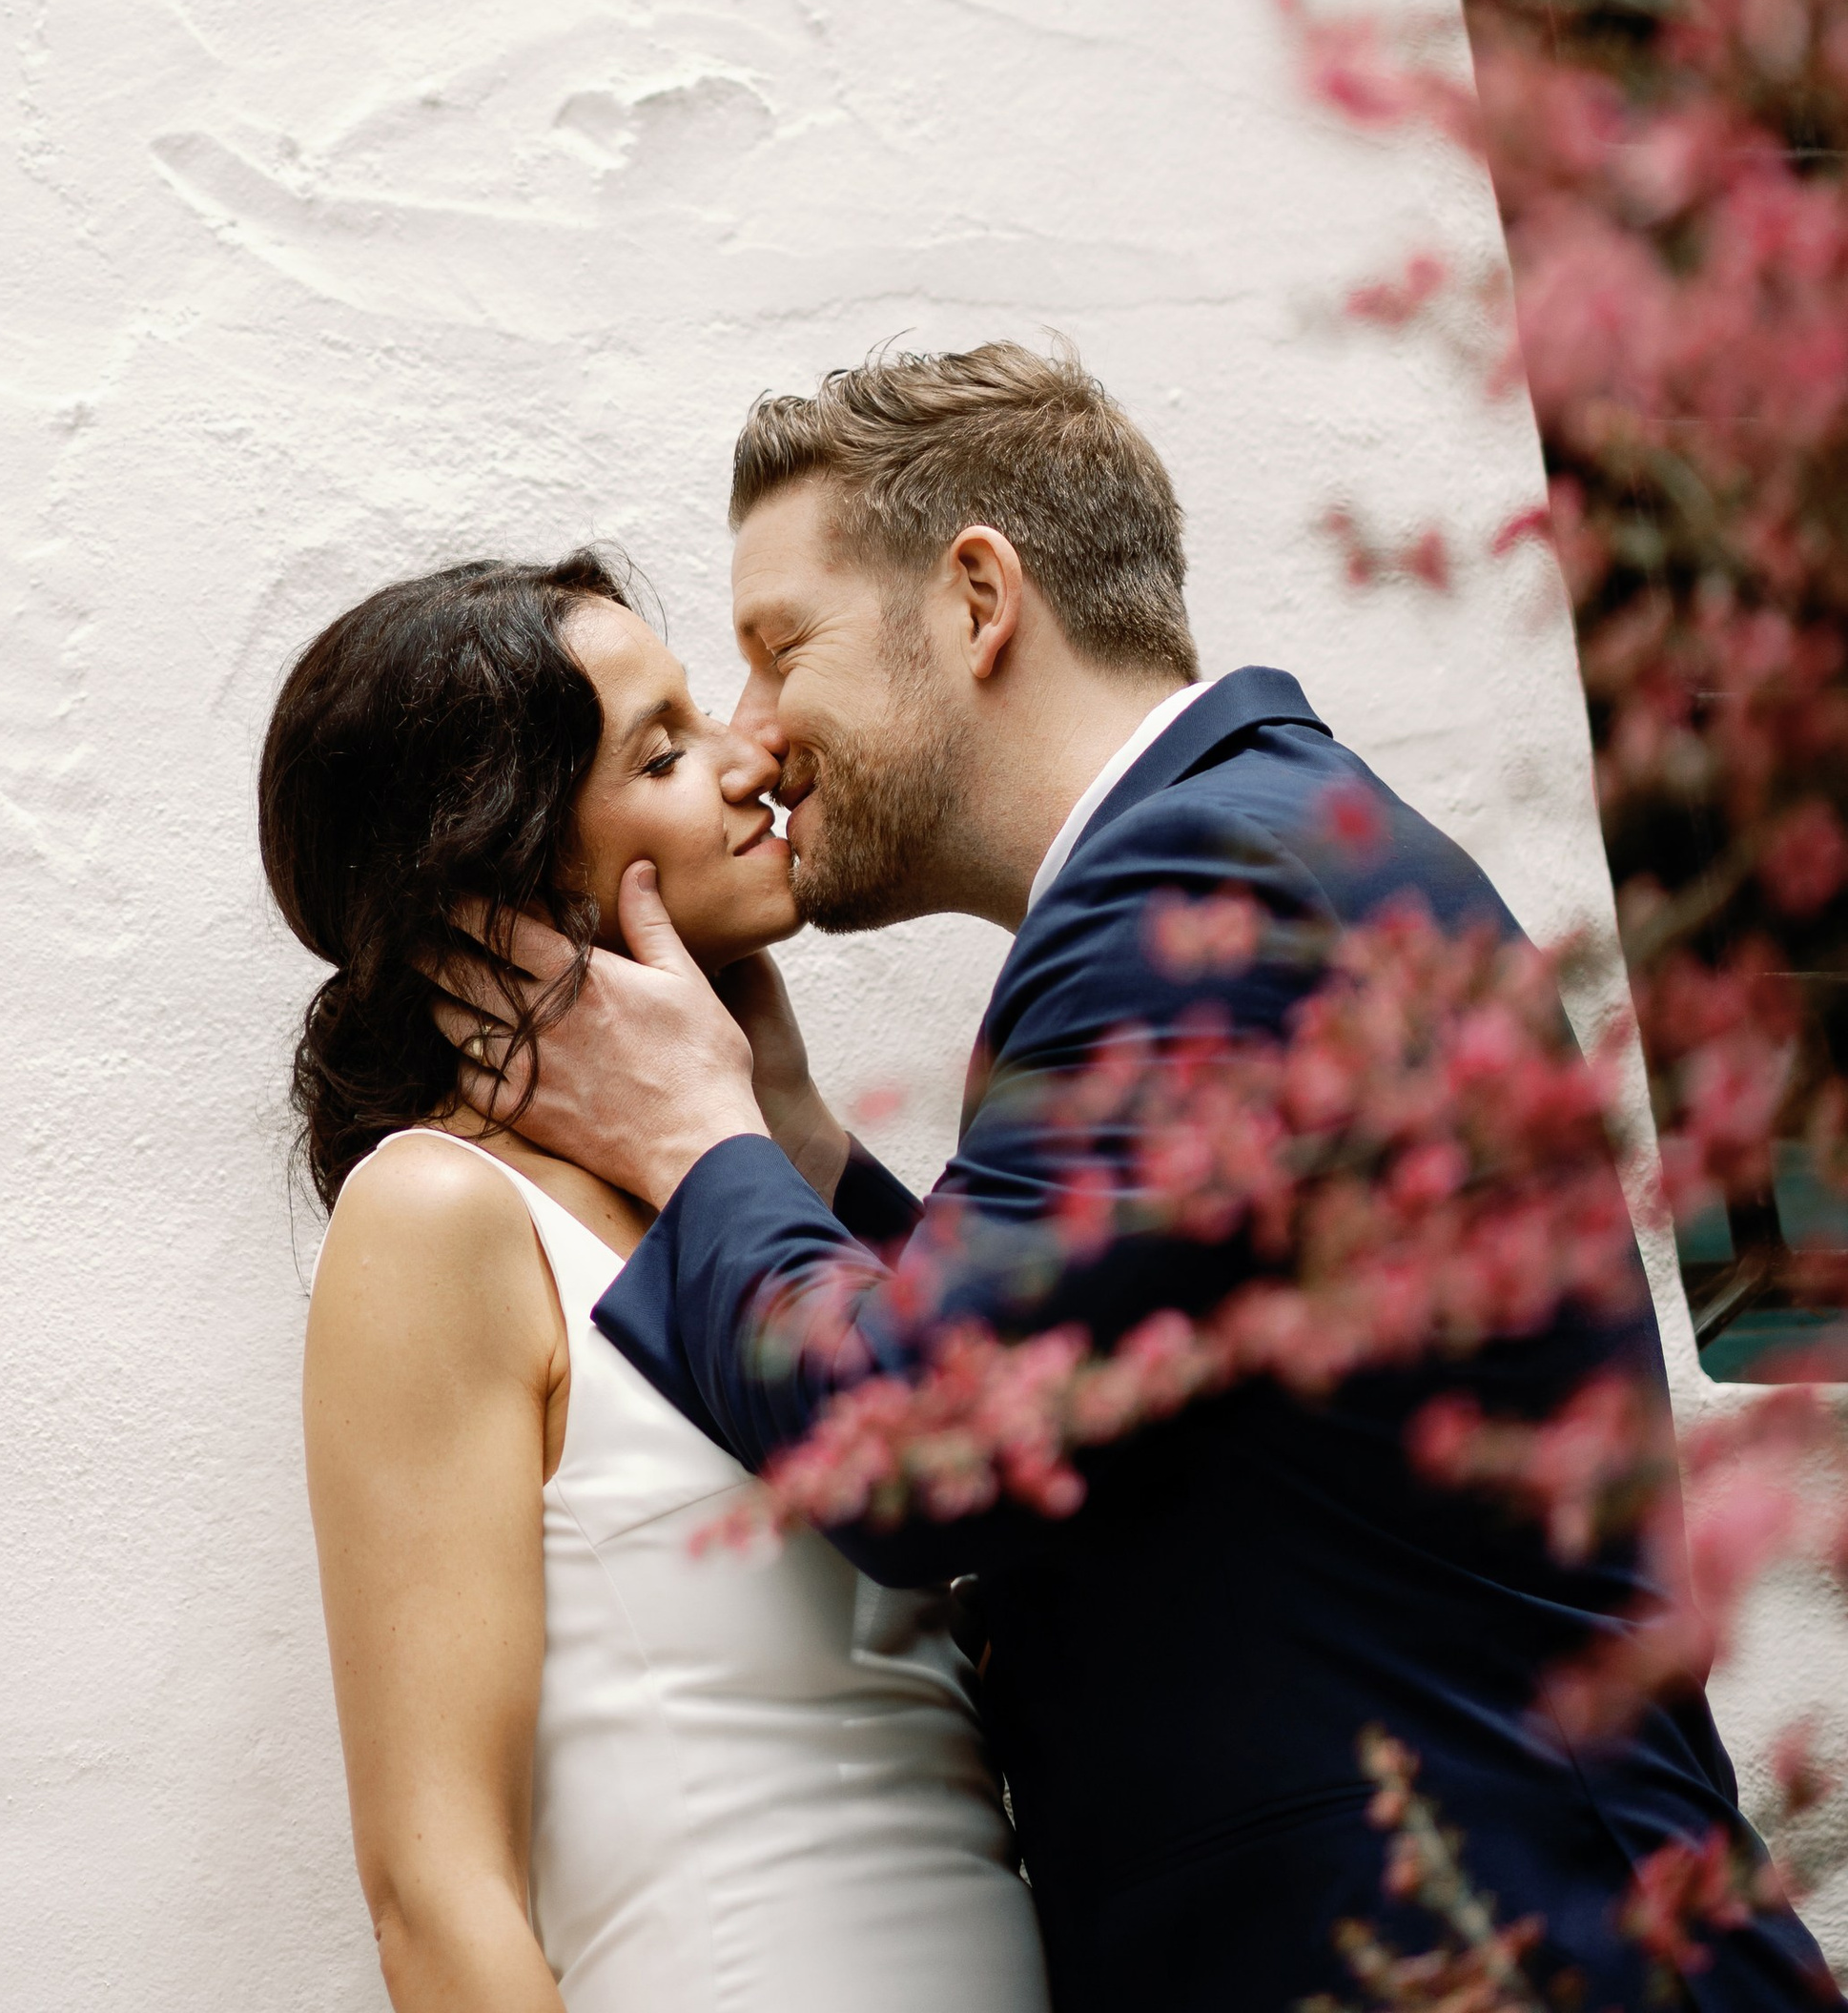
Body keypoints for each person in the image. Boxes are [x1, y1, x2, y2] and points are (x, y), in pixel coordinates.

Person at [442, 346, 1842, 2013]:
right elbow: (1089, 1362)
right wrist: (798, 1138)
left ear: (977, 599)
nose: (752, 739)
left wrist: (692, 1140)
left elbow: (922, 1453)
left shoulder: (1199, 886)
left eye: (779, 650)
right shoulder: (1259, 844)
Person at [258, 549, 1047, 2013]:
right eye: (669, 749)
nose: (754, 761)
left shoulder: (764, 1206)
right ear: (501, 859)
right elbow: (438, 1896)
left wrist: (778, 1124)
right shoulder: (445, 1218)